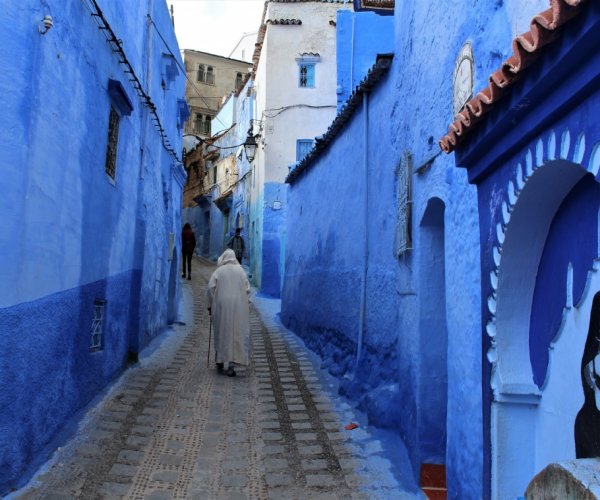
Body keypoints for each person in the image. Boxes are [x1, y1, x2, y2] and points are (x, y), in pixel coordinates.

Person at [206, 249, 250, 377]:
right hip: (238, 306)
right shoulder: (241, 271)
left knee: (221, 331)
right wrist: (247, 304)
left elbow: (210, 288)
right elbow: (247, 290)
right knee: (235, 333)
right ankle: (231, 365)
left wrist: (210, 305)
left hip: (221, 306)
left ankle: (219, 359)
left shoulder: (219, 271)